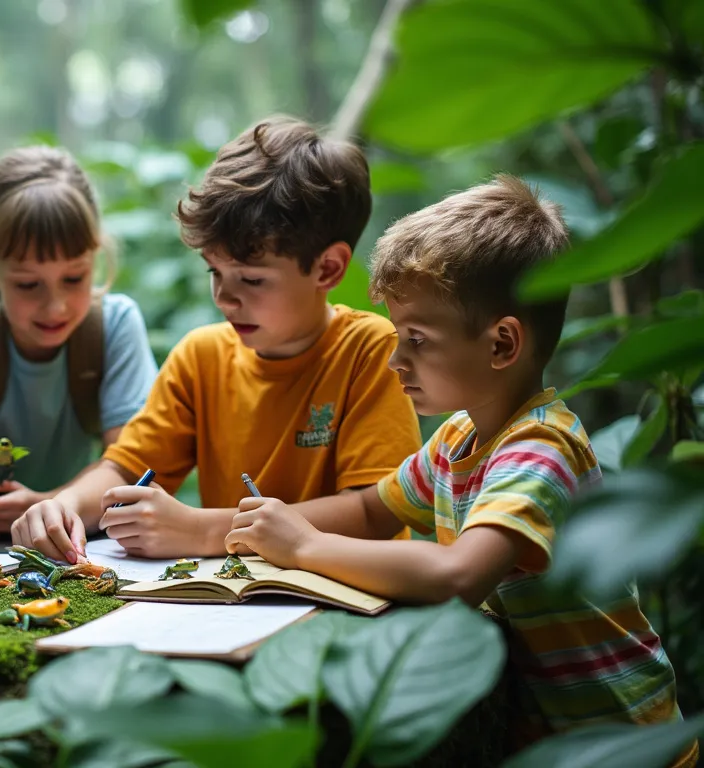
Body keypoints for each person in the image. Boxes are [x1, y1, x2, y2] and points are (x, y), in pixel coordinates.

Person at [226, 176, 695, 766]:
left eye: (417, 339)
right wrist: (216, 527)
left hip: (625, 742)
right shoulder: (457, 440)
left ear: (502, 345)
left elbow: (458, 574)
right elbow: (373, 509)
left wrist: (306, 548)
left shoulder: (539, 450)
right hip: (545, 737)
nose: (397, 360)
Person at [12, 116, 420, 562]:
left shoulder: (369, 349)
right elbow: (124, 466)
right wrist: (65, 505)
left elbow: (375, 511)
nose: (225, 296)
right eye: (215, 272)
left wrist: (206, 530)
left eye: (251, 278)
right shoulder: (201, 357)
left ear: (328, 269)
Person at [0, 146, 157, 543]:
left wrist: (50, 504)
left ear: (95, 257)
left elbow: (132, 465)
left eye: (74, 279)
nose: (54, 306)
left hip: (75, 537)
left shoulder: (114, 326)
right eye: (28, 284)